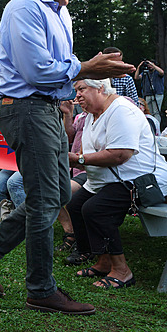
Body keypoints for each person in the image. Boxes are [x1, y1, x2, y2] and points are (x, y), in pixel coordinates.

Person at [0, 0, 136, 315]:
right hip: (25, 109)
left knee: (57, 193)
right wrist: (87, 68)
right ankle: (40, 288)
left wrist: (81, 72)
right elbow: (37, 71)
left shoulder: (60, 13)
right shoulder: (25, 7)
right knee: (44, 199)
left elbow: (60, 65)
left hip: (46, 108)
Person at [67, 79, 167, 288]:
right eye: (76, 90)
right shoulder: (91, 116)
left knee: (96, 209)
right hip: (108, 180)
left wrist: (79, 160)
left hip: (141, 180)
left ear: (100, 88)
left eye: (82, 89)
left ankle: (122, 271)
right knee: (75, 205)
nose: (77, 96)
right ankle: (102, 260)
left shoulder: (121, 110)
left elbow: (121, 154)